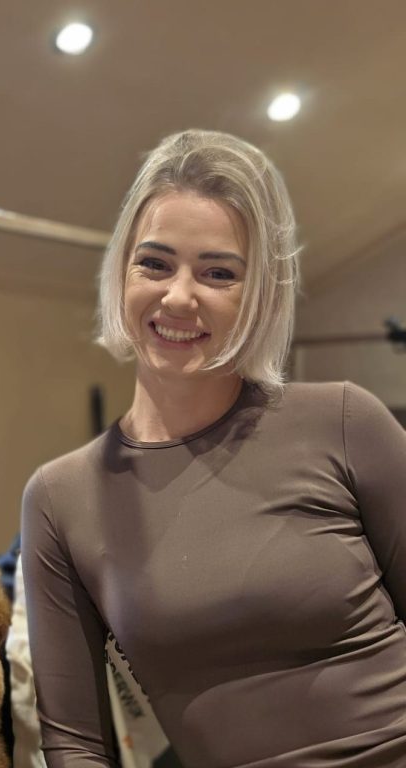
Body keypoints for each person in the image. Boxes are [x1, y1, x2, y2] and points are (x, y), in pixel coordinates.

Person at [21, 129, 406, 767]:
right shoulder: (61, 498)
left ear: (261, 296)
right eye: (155, 263)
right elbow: (76, 741)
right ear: (121, 273)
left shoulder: (345, 421)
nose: (178, 295)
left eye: (218, 273)